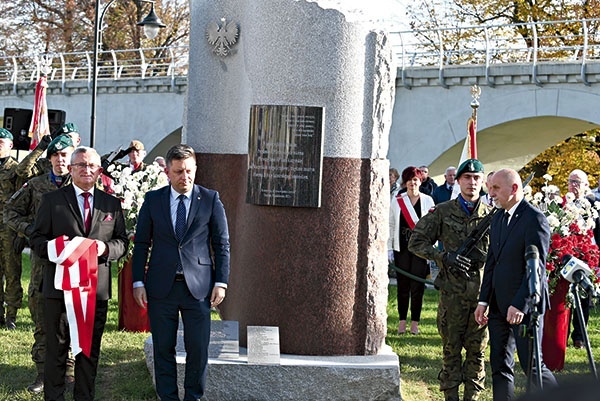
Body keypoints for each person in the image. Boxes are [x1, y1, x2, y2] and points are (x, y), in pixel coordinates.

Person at [132, 144, 230, 401]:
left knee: (197, 349)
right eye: (178, 172)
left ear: (195, 169)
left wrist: (221, 281)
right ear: (167, 171)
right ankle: (168, 397)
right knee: (163, 348)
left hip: (198, 289)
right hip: (161, 287)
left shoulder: (210, 199)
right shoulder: (153, 200)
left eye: (188, 171)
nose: (184, 177)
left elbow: (221, 244)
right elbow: (141, 243)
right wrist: (138, 282)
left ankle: (193, 397)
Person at [29, 146, 128, 401]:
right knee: (57, 351)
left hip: (96, 291)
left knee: (88, 351)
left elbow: (122, 243)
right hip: (59, 290)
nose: (87, 170)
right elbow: (37, 239)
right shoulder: (52, 201)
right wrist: (59, 249)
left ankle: (85, 397)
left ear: (99, 170)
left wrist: (104, 248)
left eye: (91, 165)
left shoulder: (112, 204)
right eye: (81, 165)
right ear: (71, 169)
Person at [409, 158, 492, 401]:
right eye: (467, 178)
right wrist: (443, 256)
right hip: (452, 296)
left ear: (483, 182)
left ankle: (472, 398)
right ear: (458, 181)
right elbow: (416, 241)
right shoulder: (443, 211)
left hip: (480, 299)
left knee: (477, 355)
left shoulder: (492, 216)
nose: (472, 183)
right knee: (451, 353)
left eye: (477, 178)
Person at [474, 168, 557, 401]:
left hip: (525, 306)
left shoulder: (534, 219)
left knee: (532, 367)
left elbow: (537, 268)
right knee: (499, 366)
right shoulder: (499, 216)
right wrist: (483, 300)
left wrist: (520, 304)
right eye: (490, 188)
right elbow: (492, 261)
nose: (490, 193)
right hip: (498, 305)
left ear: (514, 189)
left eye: (496, 188)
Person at [4, 135, 75, 394]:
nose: (60, 160)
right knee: (43, 318)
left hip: (74, 262)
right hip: (43, 262)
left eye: (65, 156)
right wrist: (31, 231)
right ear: (50, 159)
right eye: (55, 156)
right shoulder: (34, 185)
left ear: (72, 159)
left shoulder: (83, 185)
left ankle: (68, 373)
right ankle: (43, 374)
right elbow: (10, 212)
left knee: (71, 317)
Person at [388, 167, 435, 335]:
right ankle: (402, 321)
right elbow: (391, 223)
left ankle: (415, 322)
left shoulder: (428, 200)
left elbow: (432, 226)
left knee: (418, 286)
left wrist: (431, 247)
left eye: (415, 180)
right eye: (409, 180)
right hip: (402, 248)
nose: (412, 183)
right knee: (403, 286)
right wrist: (389, 248)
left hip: (420, 250)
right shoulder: (397, 200)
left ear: (420, 181)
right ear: (405, 182)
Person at [564, 169, 598, 349]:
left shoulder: (594, 204)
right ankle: (562, 334)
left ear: (586, 185)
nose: (574, 185)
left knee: (583, 297)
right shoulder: (563, 204)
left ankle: (579, 336)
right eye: (571, 181)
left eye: (578, 182)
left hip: (587, 255)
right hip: (567, 254)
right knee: (565, 297)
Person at [0, 128, 24, 330]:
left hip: (9, 229)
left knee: (12, 272)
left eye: (1, 142)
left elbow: (23, 202)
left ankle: (12, 316)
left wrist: (20, 233)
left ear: (10, 145)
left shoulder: (17, 169)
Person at [16, 122, 81, 181]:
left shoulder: (84, 163)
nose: (65, 140)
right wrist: (40, 149)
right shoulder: (47, 163)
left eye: (69, 137)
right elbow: (22, 171)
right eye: (61, 137)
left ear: (78, 140)